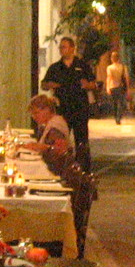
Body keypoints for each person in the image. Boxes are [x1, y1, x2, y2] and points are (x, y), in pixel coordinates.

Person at [23, 92, 97, 256]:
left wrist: (41, 148)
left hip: (57, 175)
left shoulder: (55, 127)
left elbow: (58, 151)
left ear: (47, 110)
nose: (35, 117)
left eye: (36, 112)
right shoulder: (53, 123)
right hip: (55, 171)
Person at [41, 36, 97, 170]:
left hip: (80, 107)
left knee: (81, 139)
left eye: (64, 47)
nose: (62, 50)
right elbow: (44, 84)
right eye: (60, 47)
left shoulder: (82, 66)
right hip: (62, 108)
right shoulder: (55, 67)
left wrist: (88, 85)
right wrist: (49, 84)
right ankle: (62, 166)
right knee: (60, 138)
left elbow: (94, 84)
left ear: (72, 48)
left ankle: (84, 169)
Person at [104, 51, 127, 124]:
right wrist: (128, 88)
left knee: (114, 103)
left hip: (112, 86)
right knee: (120, 102)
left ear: (112, 59)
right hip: (121, 86)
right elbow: (126, 78)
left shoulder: (109, 68)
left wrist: (107, 87)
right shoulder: (123, 67)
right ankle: (118, 117)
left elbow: (109, 77)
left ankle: (115, 117)